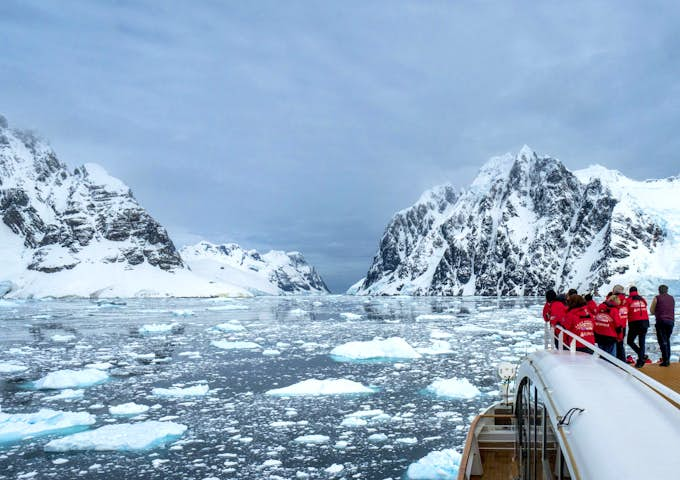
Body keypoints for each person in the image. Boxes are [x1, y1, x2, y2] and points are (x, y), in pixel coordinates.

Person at [650, 285, 675, 366]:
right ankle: (667, 359)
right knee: (667, 340)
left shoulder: (657, 298)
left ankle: (665, 360)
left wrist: (656, 312)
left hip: (661, 321)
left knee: (662, 341)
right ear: (667, 290)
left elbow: (652, 310)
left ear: (659, 290)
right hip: (671, 321)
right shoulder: (672, 298)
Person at [626, 286, 649, 368]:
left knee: (630, 341)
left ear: (630, 292)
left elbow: (626, 310)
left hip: (635, 323)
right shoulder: (642, 299)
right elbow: (646, 304)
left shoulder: (628, 300)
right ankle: (641, 357)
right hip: (645, 322)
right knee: (642, 342)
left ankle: (641, 357)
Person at [612, 285, 628, 361]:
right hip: (623, 325)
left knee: (617, 344)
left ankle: (620, 361)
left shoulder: (614, 300)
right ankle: (622, 360)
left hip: (616, 325)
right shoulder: (626, 300)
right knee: (621, 344)